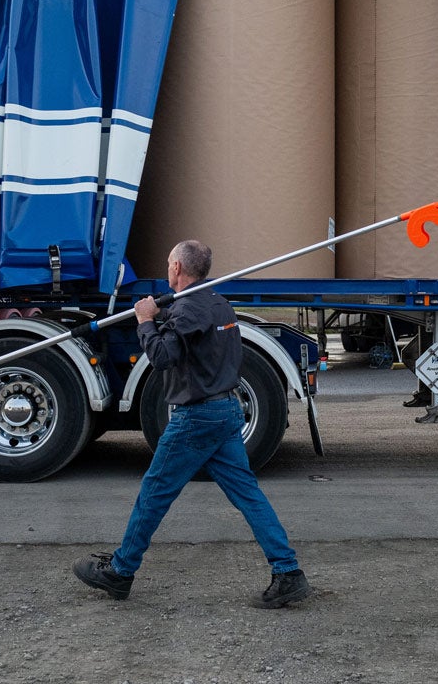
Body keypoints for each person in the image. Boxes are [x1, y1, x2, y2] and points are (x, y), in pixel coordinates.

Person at [72, 240, 312, 608]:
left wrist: (146, 321)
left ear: (178, 268)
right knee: (248, 495)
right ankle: (288, 572)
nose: (168, 269)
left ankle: (120, 572)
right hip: (227, 411)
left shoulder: (187, 309)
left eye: (169, 263)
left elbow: (163, 357)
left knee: (154, 494)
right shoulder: (218, 305)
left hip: (196, 417)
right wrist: (162, 317)